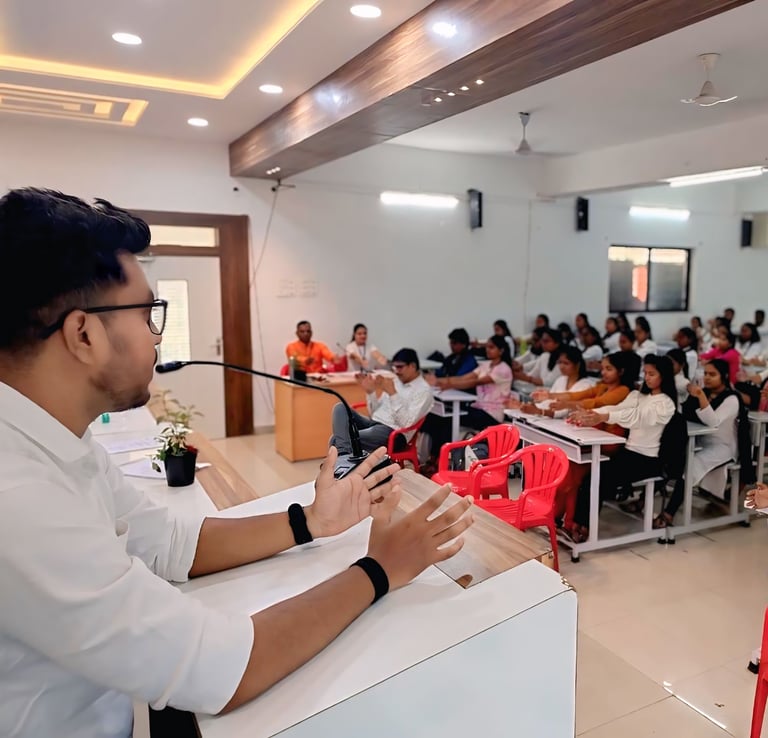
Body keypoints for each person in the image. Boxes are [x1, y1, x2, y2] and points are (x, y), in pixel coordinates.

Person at [0, 189, 475, 738]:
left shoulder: (61, 443)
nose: (156, 337)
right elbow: (218, 668)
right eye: (148, 314)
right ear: (84, 334)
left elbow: (168, 544)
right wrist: (380, 570)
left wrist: (310, 521)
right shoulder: (19, 496)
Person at [568, 354, 677, 542]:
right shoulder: (638, 395)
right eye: (645, 373)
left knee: (599, 479)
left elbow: (637, 417)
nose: (647, 378)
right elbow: (618, 408)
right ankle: (578, 524)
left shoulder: (665, 404)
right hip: (628, 454)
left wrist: (603, 417)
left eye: (652, 374)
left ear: (664, 376)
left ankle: (584, 528)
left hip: (647, 459)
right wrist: (591, 413)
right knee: (590, 477)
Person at [530, 352, 638, 539]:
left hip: (608, 443)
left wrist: (568, 404)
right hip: (592, 437)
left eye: (609, 369)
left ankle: (567, 521)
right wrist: (550, 395)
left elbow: (597, 403)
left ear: (621, 371)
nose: (603, 372)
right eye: (603, 368)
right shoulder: (602, 386)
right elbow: (579, 394)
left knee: (573, 473)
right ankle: (557, 517)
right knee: (566, 468)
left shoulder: (623, 391)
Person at [655, 359, 753, 528]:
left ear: (724, 376)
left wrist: (700, 397)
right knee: (670, 456)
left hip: (723, 447)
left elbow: (713, 422)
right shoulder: (705, 392)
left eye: (712, 374)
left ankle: (669, 513)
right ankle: (643, 501)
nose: (707, 377)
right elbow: (685, 412)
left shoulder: (732, 399)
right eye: (705, 373)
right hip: (699, 441)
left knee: (691, 466)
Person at [330, 348, 434, 455]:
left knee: (336, 440)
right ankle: (345, 457)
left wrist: (393, 394)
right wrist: (371, 392)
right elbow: (374, 413)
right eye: (394, 367)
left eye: (400, 367)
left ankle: (343, 458)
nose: (396, 371)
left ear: (412, 366)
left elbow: (406, 424)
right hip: (374, 424)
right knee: (340, 407)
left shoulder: (423, 391)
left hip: (394, 433)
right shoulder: (396, 381)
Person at [424, 335, 513, 455]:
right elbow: (464, 378)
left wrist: (447, 383)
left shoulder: (503, 369)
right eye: (487, 347)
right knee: (437, 418)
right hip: (479, 408)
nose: (487, 350)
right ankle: (436, 456)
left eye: (491, 347)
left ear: (501, 350)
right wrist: (440, 381)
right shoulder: (486, 365)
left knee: (448, 419)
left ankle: (442, 457)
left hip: (492, 414)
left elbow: (474, 382)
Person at [512, 346, 591, 418]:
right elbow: (548, 402)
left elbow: (566, 411)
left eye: (566, 363)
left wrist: (539, 411)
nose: (562, 367)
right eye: (560, 362)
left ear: (577, 365)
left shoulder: (586, 385)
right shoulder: (561, 380)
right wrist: (532, 407)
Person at [512, 327, 564, 392]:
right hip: (542, 391)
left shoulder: (562, 359)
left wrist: (525, 378)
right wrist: (519, 374)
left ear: (557, 343)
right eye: (542, 341)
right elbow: (533, 373)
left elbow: (549, 382)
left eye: (546, 341)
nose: (543, 344)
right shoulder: (545, 355)